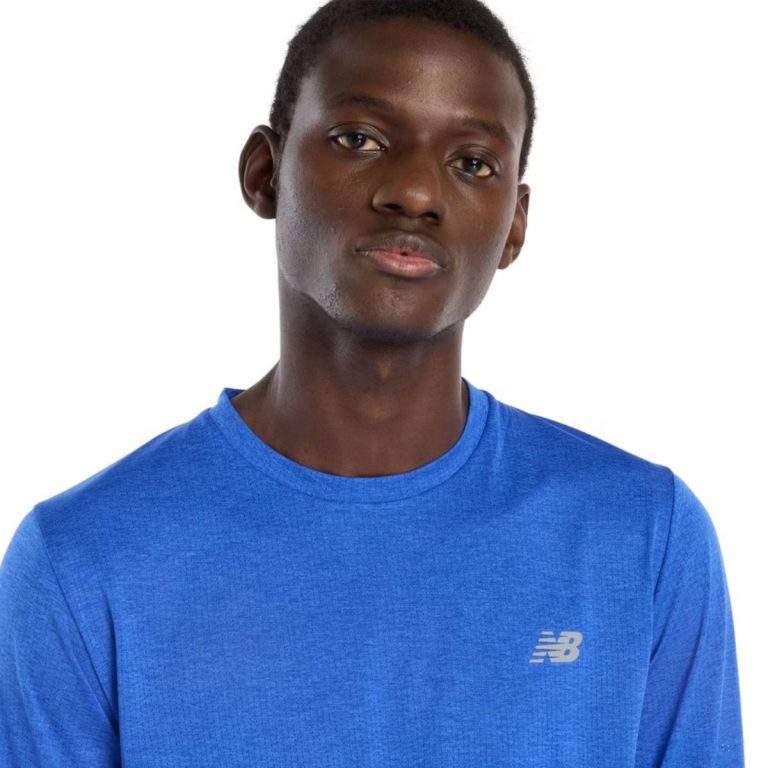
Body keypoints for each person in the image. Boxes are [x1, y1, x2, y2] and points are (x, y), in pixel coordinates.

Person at [0, 0, 743, 765]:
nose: (415, 192)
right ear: (264, 173)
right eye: (360, 138)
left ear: (515, 224)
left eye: (472, 163)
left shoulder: (643, 536)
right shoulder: (83, 561)